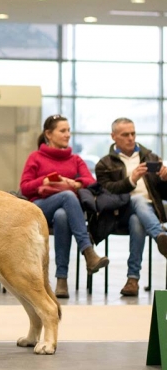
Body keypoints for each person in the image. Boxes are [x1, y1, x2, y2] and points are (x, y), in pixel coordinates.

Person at [20, 114, 109, 298]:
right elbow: (25, 187)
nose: (68, 134)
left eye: (68, 130)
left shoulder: (75, 159)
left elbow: (90, 181)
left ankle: (61, 280)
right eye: (62, 131)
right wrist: (43, 180)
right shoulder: (35, 157)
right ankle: (88, 251)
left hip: (66, 211)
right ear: (48, 134)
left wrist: (74, 183)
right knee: (67, 196)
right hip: (40, 208)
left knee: (62, 216)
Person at [95, 117, 167, 296]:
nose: (131, 138)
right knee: (136, 200)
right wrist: (131, 180)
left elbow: (164, 194)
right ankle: (160, 235)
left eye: (133, 133)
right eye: (125, 134)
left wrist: (166, 179)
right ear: (113, 136)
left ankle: (132, 279)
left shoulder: (151, 157)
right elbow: (107, 191)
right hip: (119, 213)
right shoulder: (104, 164)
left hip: (149, 213)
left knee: (138, 220)